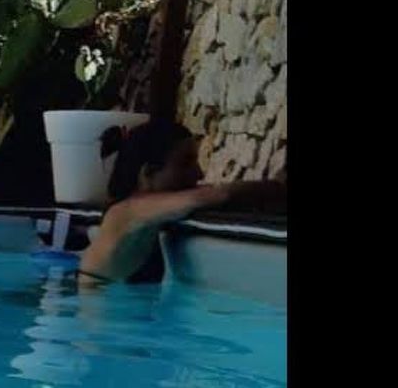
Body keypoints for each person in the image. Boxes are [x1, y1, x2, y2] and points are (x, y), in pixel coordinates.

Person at [78, 120, 286, 285]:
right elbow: (215, 195)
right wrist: (278, 185)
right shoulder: (125, 212)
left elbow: (212, 193)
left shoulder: (148, 212)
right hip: (103, 310)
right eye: (186, 163)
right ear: (148, 173)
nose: (199, 173)